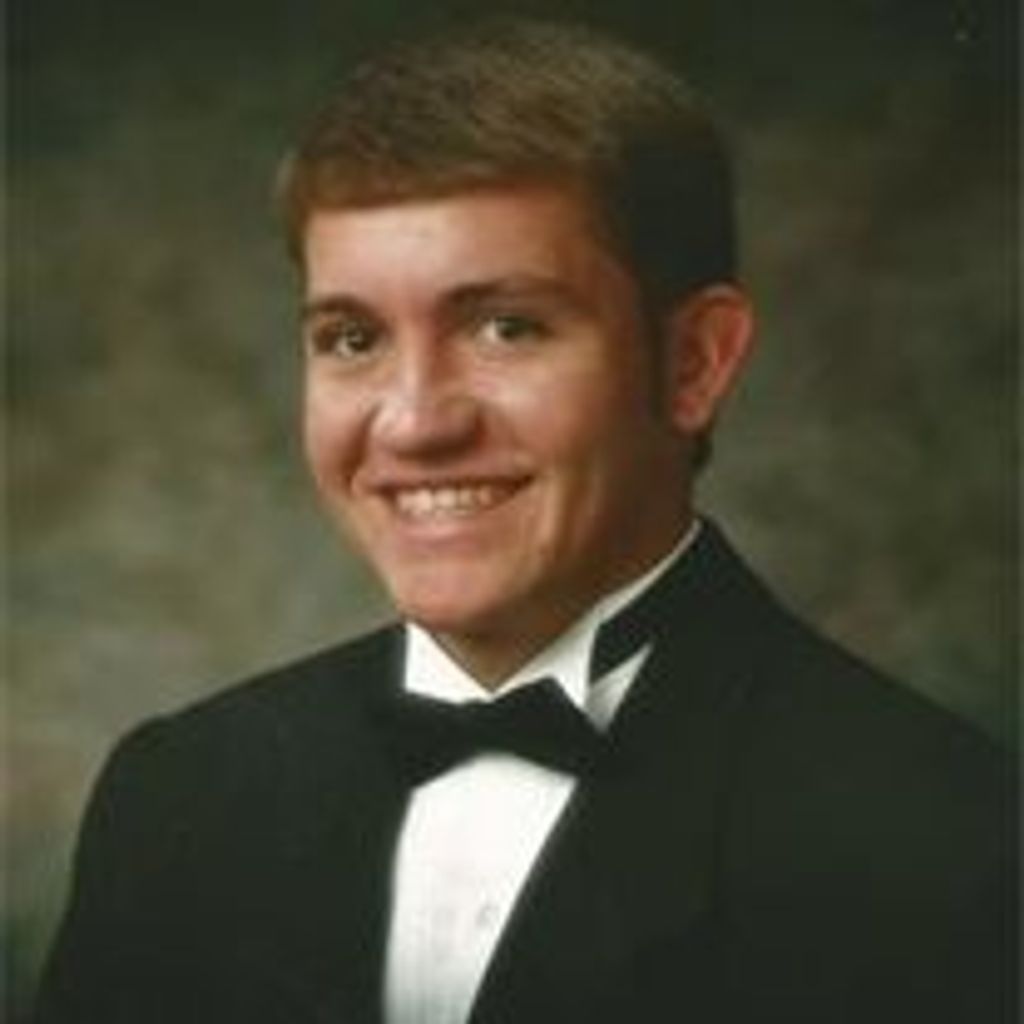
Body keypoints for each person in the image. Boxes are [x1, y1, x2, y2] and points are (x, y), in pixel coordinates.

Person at [36, 17, 1014, 1024]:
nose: (415, 422)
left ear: (694, 363)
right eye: (352, 337)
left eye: (506, 327)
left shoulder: (936, 835)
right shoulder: (183, 794)